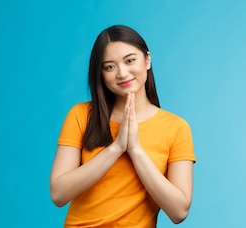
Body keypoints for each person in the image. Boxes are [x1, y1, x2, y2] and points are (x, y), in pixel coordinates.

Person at [50, 25, 196, 227]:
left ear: (147, 60)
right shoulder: (82, 115)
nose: (122, 73)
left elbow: (179, 211)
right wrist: (116, 148)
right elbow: (58, 194)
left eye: (130, 60)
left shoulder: (176, 128)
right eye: (110, 66)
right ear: (100, 74)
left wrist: (135, 150)